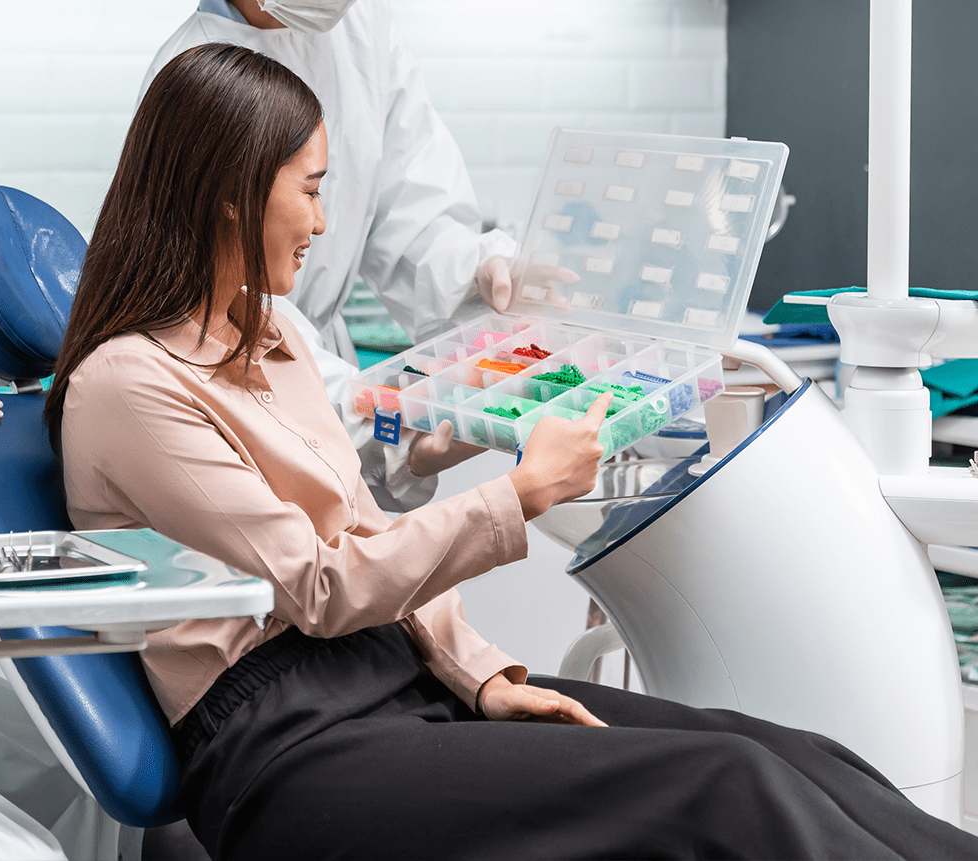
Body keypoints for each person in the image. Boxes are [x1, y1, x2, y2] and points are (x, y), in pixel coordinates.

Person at [48, 43, 978, 861]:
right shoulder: (129, 386)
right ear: (231, 196)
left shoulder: (275, 336)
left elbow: (366, 528)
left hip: (392, 679)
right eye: (313, 188)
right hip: (289, 749)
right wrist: (521, 494)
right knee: (729, 783)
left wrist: (483, 673)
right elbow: (322, 587)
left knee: (784, 750)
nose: (326, 222)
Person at [139, 0, 526, 512]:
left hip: (307, 370)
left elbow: (412, 208)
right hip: (249, 385)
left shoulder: (363, 26)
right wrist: (390, 422)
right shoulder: (195, 73)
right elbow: (226, 304)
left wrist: (475, 271)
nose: (321, 224)